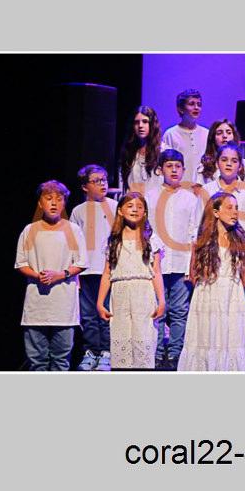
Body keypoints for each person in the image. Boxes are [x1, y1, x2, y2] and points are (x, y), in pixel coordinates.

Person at [178, 192, 245, 371]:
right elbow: (193, 273)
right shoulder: (201, 241)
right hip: (208, 293)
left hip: (232, 295)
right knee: (208, 336)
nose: (234, 212)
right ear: (215, 212)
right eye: (229, 208)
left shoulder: (240, 240)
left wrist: (232, 285)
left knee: (232, 338)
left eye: (236, 208)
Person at [15, 181, 87, 371]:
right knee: (37, 361)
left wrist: (60, 275)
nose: (54, 203)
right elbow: (21, 263)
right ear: (40, 203)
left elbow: (81, 262)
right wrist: (38, 276)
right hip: (36, 306)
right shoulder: (30, 230)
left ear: (64, 203)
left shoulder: (73, 230)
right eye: (49, 199)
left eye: (59, 199)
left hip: (64, 305)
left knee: (61, 360)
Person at [97, 191, 165, 370]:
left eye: (139, 207)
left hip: (143, 292)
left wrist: (161, 300)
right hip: (120, 293)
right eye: (130, 206)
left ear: (145, 212)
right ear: (120, 211)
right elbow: (107, 273)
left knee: (143, 337)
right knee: (122, 339)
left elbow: (157, 272)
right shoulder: (114, 241)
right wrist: (100, 302)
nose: (135, 210)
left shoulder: (151, 239)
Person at [152, 149, 203, 368]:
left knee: (180, 310)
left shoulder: (190, 199)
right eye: (169, 166)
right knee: (158, 309)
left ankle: (175, 353)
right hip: (157, 263)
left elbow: (194, 232)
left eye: (178, 166)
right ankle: (155, 352)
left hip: (181, 262)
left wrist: (192, 264)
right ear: (160, 169)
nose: (174, 170)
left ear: (183, 170)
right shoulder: (151, 196)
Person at [70, 164, 117, 370]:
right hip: (86, 271)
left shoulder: (115, 207)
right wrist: (75, 273)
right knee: (88, 314)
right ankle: (91, 351)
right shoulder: (78, 211)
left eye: (104, 180)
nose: (102, 184)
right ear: (85, 187)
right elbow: (73, 243)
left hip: (108, 271)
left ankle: (106, 352)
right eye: (96, 181)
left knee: (105, 312)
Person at [161, 89, 208, 181]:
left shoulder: (207, 133)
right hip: (178, 185)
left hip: (202, 186)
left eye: (199, 104)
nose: (196, 107)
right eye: (191, 104)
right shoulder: (171, 134)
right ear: (181, 109)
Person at [120, 106, 163, 194]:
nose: (140, 126)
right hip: (135, 200)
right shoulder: (128, 152)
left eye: (145, 122)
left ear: (152, 124)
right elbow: (124, 183)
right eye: (136, 122)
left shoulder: (163, 151)